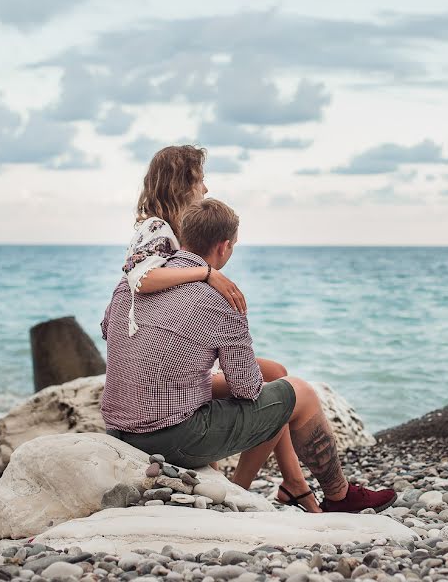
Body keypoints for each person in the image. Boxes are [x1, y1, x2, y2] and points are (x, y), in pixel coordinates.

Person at [101, 199, 397, 513]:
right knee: (302, 394)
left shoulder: (131, 284)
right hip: (170, 438)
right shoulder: (220, 296)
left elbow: (110, 331)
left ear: (184, 239)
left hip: (118, 429)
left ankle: (270, 487)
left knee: (269, 377)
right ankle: (339, 496)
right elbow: (246, 389)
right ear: (225, 246)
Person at [118, 144, 315, 510]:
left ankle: (290, 481)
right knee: (268, 386)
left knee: (273, 372)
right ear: (182, 182)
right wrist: (209, 273)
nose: (206, 189)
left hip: (163, 369)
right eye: (201, 179)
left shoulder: (174, 229)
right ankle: (252, 486)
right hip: (159, 384)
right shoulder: (155, 228)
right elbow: (140, 279)